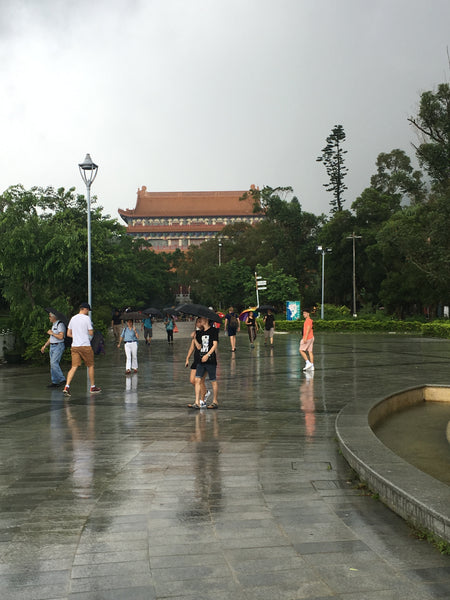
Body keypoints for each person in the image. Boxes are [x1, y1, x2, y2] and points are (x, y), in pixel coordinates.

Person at [63, 303, 101, 396]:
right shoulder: (87, 319)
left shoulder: (73, 318)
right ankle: (92, 387)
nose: (88, 312)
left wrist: (76, 336)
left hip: (75, 346)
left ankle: (66, 386)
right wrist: (87, 335)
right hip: (85, 345)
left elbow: (68, 334)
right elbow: (91, 333)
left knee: (74, 366)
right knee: (90, 365)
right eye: (87, 310)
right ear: (84, 309)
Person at [189, 317, 219, 409]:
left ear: (206, 320)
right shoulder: (199, 332)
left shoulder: (213, 330)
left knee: (213, 380)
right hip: (200, 360)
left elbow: (215, 345)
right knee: (197, 380)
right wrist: (194, 338)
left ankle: (215, 401)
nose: (199, 321)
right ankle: (197, 402)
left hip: (210, 360)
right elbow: (198, 347)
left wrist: (208, 355)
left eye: (201, 319)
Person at [185, 318, 208, 407]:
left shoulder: (205, 334)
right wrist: (187, 358)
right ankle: (205, 392)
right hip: (196, 360)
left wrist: (194, 338)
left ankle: (201, 400)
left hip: (202, 360)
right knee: (192, 381)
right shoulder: (196, 333)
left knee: (199, 381)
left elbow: (199, 347)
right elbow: (192, 347)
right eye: (197, 322)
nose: (197, 323)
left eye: (199, 322)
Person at [41, 312, 66, 388]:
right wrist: (45, 345)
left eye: (50, 316)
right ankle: (54, 382)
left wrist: (52, 333)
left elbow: (61, 337)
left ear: (54, 317)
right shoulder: (53, 325)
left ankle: (62, 379)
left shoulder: (60, 325)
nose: (49, 318)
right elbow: (51, 338)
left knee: (53, 363)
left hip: (58, 346)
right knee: (52, 365)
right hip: (52, 346)